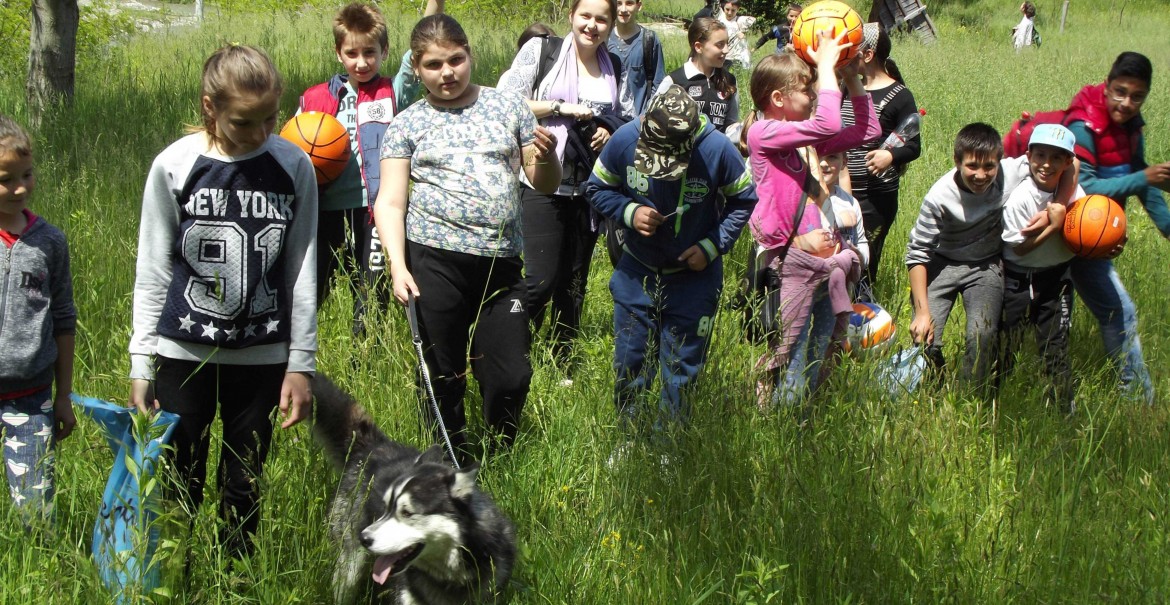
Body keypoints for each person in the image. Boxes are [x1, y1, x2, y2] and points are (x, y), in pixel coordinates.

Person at [130, 45, 317, 558]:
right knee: (177, 480)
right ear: (209, 106)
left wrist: (301, 364)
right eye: (243, 122)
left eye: (269, 119)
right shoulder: (174, 164)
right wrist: (141, 363)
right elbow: (153, 269)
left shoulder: (292, 164)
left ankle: (236, 580)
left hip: (262, 356)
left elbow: (301, 268)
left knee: (244, 483)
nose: (259, 134)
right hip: (182, 354)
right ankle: (177, 575)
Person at [375, 14, 561, 463]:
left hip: (501, 262)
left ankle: (501, 455)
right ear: (417, 69)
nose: (448, 73)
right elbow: (390, 202)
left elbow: (545, 183)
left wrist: (549, 156)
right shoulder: (407, 124)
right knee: (442, 371)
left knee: (511, 374)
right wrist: (398, 266)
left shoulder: (507, 107)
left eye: (456, 60)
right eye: (434, 65)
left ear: (469, 55)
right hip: (433, 260)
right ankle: (451, 459)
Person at [585, 85, 756, 433]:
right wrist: (629, 212)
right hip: (637, 272)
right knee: (630, 362)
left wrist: (711, 246)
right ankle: (629, 437)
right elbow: (597, 188)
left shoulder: (717, 149)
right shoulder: (624, 139)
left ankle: (670, 447)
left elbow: (744, 200)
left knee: (682, 369)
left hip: (694, 279)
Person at [497, 0, 634, 378]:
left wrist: (609, 129)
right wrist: (562, 107)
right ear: (572, 15)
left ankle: (562, 365)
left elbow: (627, 119)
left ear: (610, 24)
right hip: (541, 182)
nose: (592, 25)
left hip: (589, 190)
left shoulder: (615, 67)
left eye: (601, 19)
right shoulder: (542, 51)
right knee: (538, 281)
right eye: (585, 16)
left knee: (573, 287)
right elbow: (505, 100)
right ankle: (511, 356)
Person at [744, 42, 881, 408]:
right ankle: (782, 426)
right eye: (805, 90)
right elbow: (830, 122)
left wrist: (852, 80)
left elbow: (866, 131)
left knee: (821, 349)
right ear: (777, 98)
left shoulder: (801, 142)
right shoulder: (764, 133)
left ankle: (807, 419)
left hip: (826, 266)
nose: (813, 94)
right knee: (792, 352)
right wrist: (824, 65)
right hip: (794, 267)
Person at [298, 1, 442, 337]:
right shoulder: (314, 98)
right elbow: (294, 150)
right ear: (338, 53)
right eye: (352, 53)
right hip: (325, 209)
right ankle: (301, 357)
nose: (361, 62)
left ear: (384, 50)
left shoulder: (393, 92)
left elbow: (420, 47)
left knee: (370, 292)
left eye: (370, 53)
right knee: (314, 288)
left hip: (373, 210)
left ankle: (365, 356)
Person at [905, 123, 1075, 394]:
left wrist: (1060, 206)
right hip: (943, 262)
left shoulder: (1010, 172)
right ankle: (935, 380)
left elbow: (1071, 164)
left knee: (981, 336)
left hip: (985, 266)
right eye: (972, 166)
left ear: (999, 162)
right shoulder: (938, 197)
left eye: (989, 167)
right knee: (926, 337)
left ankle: (971, 397)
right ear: (957, 161)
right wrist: (922, 313)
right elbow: (917, 253)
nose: (981, 175)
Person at [1064, 51, 1170, 404]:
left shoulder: (1130, 126)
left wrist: (1167, 226)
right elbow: (1086, 188)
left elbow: (1141, 180)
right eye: (1120, 92)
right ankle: (1138, 398)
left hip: (1092, 237)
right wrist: (1144, 176)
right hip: (1065, 234)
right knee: (1117, 311)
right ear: (1106, 86)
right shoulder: (1084, 125)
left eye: (1137, 96)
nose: (1127, 103)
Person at [0, 114, 76, 525]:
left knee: (35, 510)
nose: (19, 187)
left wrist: (62, 395)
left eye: (26, 174)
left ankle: (43, 569)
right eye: (5, 178)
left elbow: (64, 318)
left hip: (30, 395)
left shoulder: (49, 241)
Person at [998, 124, 1082, 414]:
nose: (1047, 164)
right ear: (1029, 155)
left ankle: (1063, 410)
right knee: (1008, 342)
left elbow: (1085, 232)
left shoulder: (1073, 192)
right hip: (1018, 279)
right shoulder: (1021, 198)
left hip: (1057, 277)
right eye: (1041, 155)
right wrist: (1053, 225)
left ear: (1067, 162)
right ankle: (995, 402)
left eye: (1057, 158)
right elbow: (1018, 248)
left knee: (1055, 345)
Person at [779, 149, 870, 405]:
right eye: (818, 156)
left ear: (844, 162)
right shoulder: (796, 196)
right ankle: (788, 405)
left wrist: (854, 256)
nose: (823, 163)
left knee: (823, 346)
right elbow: (775, 235)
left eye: (833, 157)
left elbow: (862, 243)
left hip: (834, 287)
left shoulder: (849, 202)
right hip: (799, 286)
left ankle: (814, 403)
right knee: (794, 346)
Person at [841, 23, 920, 294]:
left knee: (865, 263)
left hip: (876, 198)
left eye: (853, 50)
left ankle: (863, 321)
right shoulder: (848, 87)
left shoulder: (900, 96)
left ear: (868, 54)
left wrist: (891, 155)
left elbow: (914, 146)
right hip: (840, 190)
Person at [656, 18, 739, 135]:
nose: (726, 50)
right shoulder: (674, 81)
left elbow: (731, 123)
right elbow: (653, 121)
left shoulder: (729, 81)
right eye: (720, 45)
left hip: (716, 152)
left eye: (727, 43)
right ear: (699, 47)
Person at [608, 0, 666, 115]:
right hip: (608, 123)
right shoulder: (603, 40)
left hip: (638, 122)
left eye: (629, 3)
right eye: (619, 3)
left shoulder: (649, 40)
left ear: (638, 6)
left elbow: (658, 84)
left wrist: (647, 116)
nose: (623, 9)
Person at [716, 0, 756, 70]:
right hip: (722, 55)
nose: (729, 13)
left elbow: (753, 20)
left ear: (738, 9)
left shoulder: (739, 20)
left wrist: (742, 32)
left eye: (733, 10)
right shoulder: (720, 18)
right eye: (727, 9)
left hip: (736, 57)